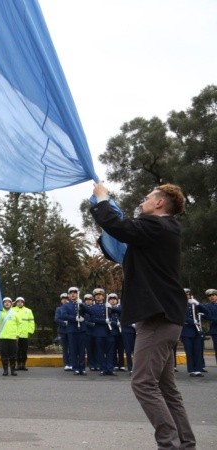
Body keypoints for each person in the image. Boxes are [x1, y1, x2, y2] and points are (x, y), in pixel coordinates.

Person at [90, 182, 195, 449]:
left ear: (160, 203)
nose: (142, 201)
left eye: (147, 198)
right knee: (167, 389)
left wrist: (102, 200)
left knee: (142, 384)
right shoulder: (162, 231)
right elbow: (123, 245)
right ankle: (185, 443)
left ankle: (168, 444)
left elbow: (121, 227)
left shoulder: (158, 226)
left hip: (157, 320)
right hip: (166, 318)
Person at [60, 286, 89, 375]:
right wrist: (75, 318)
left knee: (81, 350)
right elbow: (64, 315)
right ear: (69, 295)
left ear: (77, 294)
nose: (73, 294)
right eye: (71, 293)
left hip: (82, 330)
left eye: (75, 293)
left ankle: (82, 368)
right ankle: (75, 367)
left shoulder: (81, 304)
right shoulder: (66, 306)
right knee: (73, 350)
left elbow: (90, 312)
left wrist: (82, 305)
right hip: (72, 330)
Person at [181, 296, 207, 377]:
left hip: (197, 331)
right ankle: (191, 370)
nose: (187, 296)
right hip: (186, 332)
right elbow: (180, 315)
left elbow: (207, 312)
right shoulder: (180, 304)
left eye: (188, 294)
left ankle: (198, 370)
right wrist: (192, 321)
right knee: (189, 351)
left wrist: (198, 304)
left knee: (197, 351)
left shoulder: (195, 304)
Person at [0, 297, 20, 376]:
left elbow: (19, 324)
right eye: (5, 302)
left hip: (12, 337)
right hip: (2, 337)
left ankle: (13, 371)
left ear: (11, 303)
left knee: (13, 355)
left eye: (9, 302)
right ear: (2, 304)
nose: (7, 303)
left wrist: (17, 334)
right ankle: (5, 370)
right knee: (3, 355)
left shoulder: (15, 313)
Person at [13, 297, 35, 371]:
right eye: (18, 301)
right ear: (16, 302)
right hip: (16, 335)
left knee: (24, 351)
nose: (19, 303)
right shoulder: (12, 310)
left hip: (25, 334)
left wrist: (30, 331)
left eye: (21, 301)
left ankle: (23, 365)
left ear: (23, 302)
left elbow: (31, 322)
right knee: (17, 351)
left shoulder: (28, 311)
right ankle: (18, 365)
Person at [54, 293, 72, 371]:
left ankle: (72, 363)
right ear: (61, 300)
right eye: (63, 299)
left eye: (66, 299)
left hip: (71, 330)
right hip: (63, 331)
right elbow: (56, 319)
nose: (65, 300)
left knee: (72, 348)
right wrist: (64, 323)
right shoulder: (59, 309)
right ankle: (67, 364)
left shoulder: (71, 308)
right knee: (65, 348)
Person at [203, 289, 217, 366]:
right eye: (209, 296)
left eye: (213, 295)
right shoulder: (207, 307)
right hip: (215, 331)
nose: (211, 297)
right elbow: (207, 316)